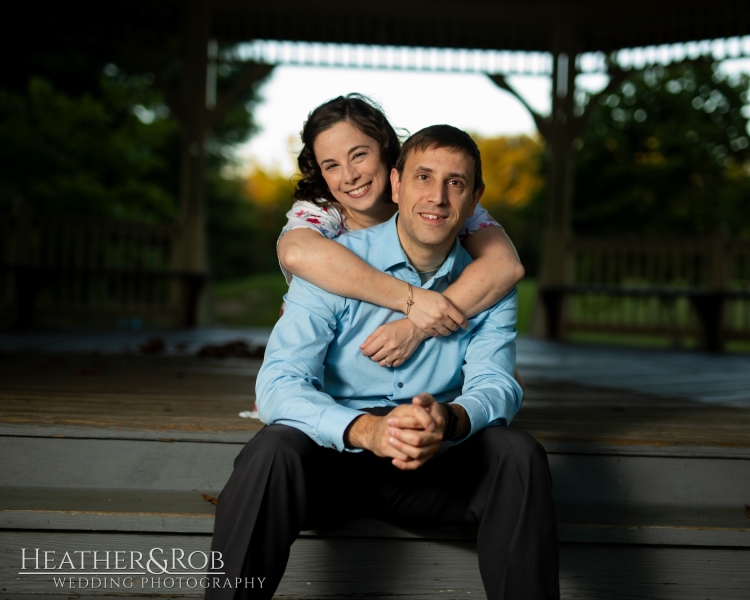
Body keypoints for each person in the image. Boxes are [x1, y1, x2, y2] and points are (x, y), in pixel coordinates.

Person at [207, 125, 559, 600]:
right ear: (395, 185)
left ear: (475, 200)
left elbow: (497, 382)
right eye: (423, 178)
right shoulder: (333, 264)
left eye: (455, 183)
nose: (436, 197)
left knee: (518, 454)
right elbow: (279, 383)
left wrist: (449, 419)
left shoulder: (487, 284)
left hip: (431, 458)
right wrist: (365, 431)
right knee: (272, 451)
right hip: (334, 458)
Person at [277, 94, 524, 368]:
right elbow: (295, 253)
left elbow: (505, 265)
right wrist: (412, 301)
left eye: (359, 155)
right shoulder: (321, 211)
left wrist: (419, 325)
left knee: (504, 376)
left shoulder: (435, 200)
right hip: (337, 357)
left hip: (430, 360)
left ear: (385, 149)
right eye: (331, 165)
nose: (349, 176)